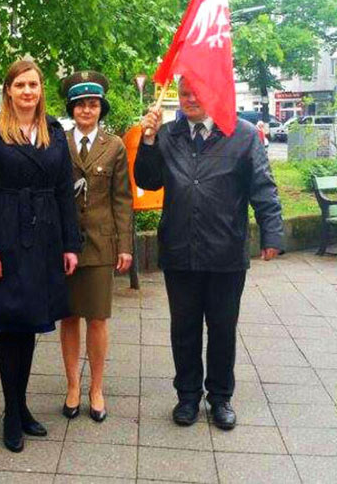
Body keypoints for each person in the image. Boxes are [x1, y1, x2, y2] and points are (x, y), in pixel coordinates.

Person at [135, 76, 284, 431]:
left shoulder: (242, 134)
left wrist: (272, 233)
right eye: (184, 93)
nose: (190, 99)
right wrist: (148, 140)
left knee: (222, 329)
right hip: (180, 250)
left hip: (225, 253)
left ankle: (220, 397)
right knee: (184, 328)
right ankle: (187, 396)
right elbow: (147, 180)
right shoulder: (168, 134)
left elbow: (263, 187)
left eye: (197, 93)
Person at [0, 59, 83, 453]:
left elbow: (65, 191)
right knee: (10, 324)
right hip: (6, 236)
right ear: (8, 90)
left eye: (33, 84)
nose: (27, 91)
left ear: (41, 90)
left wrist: (70, 243)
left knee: (31, 324)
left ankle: (21, 406)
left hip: (45, 237)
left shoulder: (54, 131)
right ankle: (11, 413)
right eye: (20, 84)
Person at [58, 71, 133, 424]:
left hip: (102, 243)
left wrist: (125, 246)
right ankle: (73, 385)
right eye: (80, 104)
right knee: (69, 316)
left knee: (98, 318)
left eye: (93, 104)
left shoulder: (114, 145)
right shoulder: (58, 142)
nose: (86, 110)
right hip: (65, 244)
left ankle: (97, 388)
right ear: (71, 109)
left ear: (101, 108)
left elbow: (122, 199)